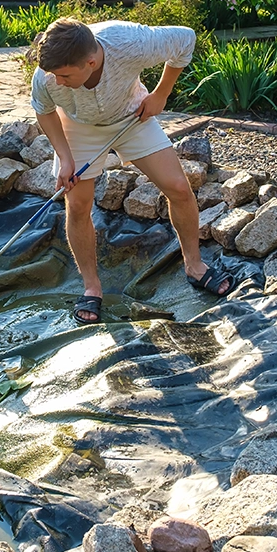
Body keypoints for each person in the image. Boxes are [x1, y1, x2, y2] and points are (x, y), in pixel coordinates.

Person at [31, 17, 234, 324]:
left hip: (131, 117)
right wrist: (65, 156)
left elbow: (185, 40)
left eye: (64, 75)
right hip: (79, 126)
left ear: (90, 61)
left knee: (179, 187)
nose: (57, 81)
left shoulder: (129, 42)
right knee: (78, 205)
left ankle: (194, 266)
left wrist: (161, 94)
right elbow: (44, 111)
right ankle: (92, 286)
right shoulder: (47, 77)